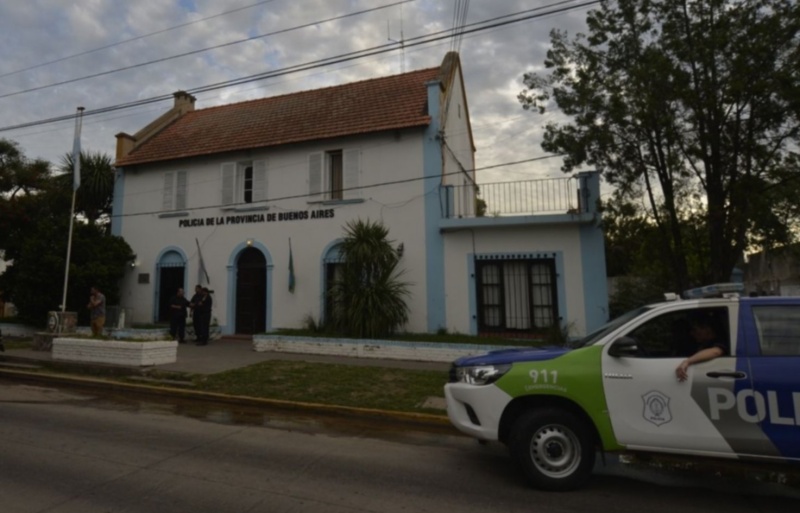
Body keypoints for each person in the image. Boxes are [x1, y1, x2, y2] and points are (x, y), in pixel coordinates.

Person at [675, 313, 728, 382]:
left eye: (695, 330)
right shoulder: (701, 343)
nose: (691, 333)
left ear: (707, 329)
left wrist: (687, 361)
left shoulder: (719, 342)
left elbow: (716, 351)